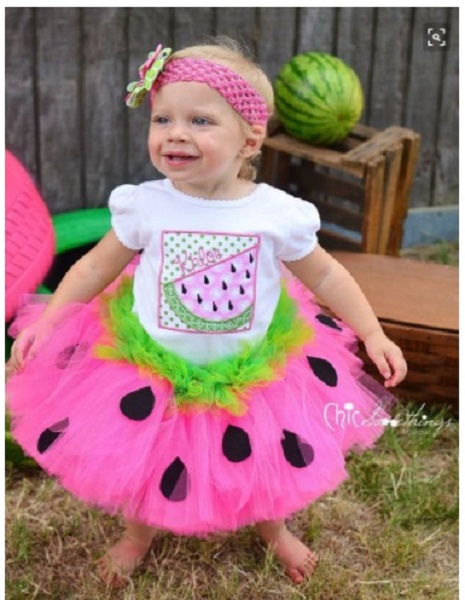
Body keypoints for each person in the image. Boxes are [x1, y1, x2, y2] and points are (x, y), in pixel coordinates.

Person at [7, 38, 407, 588]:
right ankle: (137, 534)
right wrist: (49, 319)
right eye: (163, 117)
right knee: (148, 459)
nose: (175, 132)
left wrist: (373, 331)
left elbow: (326, 275)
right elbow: (95, 270)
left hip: (251, 370)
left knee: (265, 456)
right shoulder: (145, 204)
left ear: (250, 138)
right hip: (151, 367)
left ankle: (274, 529)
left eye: (199, 119)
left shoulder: (276, 215)